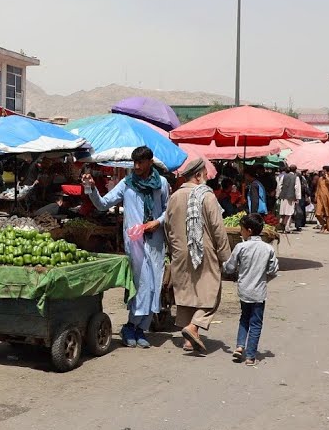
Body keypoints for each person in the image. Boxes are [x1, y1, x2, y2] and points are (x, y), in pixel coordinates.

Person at [84, 146, 168, 348]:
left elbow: (169, 209)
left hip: (155, 241)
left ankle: (141, 329)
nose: (137, 167)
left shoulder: (162, 184)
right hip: (135, 242)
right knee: (141, 284)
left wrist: (157, 222)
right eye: (134, 163)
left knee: (154, 285)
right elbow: (103, 204)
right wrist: (91, 189)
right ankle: (130, 326)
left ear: (150, 162)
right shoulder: (127, 183)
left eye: (140, 163)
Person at [164, 158, 232, 355]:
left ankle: (188, 340)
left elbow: (168, 227)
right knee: (211, 292)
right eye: (205, 173)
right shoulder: (207, 196)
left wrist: (173, 249)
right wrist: (225, 255)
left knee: (187, 294)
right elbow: (217, 228)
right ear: (198, 175)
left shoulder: (174, 196)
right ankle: (194, 327)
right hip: (203, 251)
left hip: (179, 252)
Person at [224, 213, 279, 366]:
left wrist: (223, 265)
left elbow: (229, 267)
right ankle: (250, 356)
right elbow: (273, 270)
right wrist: (263, 276)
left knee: (244, 318)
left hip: (243, 290)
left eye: (241, 229)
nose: (240, 232)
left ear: (248, 230)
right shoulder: (268, 249)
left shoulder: (240, 247)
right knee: (256, 323)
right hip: (259, 292)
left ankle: (240, 346)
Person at [313, 166, 329, 234]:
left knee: (328, 214)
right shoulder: (320, 179)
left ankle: (327, 228)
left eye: (324, 171)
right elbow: (318, 188)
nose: (323, 173)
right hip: (320, 199)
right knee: (318, 214)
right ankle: (324, 224)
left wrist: (328, 179)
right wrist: (316, 196)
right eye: (322, 171)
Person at [276, 166, 300, 233]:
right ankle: (286, 227)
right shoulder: (296, 177)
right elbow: (297, 188)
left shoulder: (284, 176)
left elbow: (279, 186)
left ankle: (282, 223)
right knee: (289, 212)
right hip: (291, 197)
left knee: (283, 211)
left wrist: (278, 195)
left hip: (283, 196)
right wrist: (298, 198)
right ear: (295, 170)